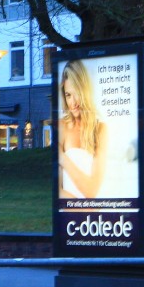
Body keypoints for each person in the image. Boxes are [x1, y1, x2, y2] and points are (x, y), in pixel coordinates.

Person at [57, 60, 109, 199]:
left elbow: (91, 191)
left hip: (93, 215)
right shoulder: (62, 126)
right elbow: (57, 192)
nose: (72, 102)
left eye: (76, 93)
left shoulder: (100, 129)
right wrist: (81, 208)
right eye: (68, 95)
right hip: (72, 214)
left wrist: (62, 157)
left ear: (84, 91)